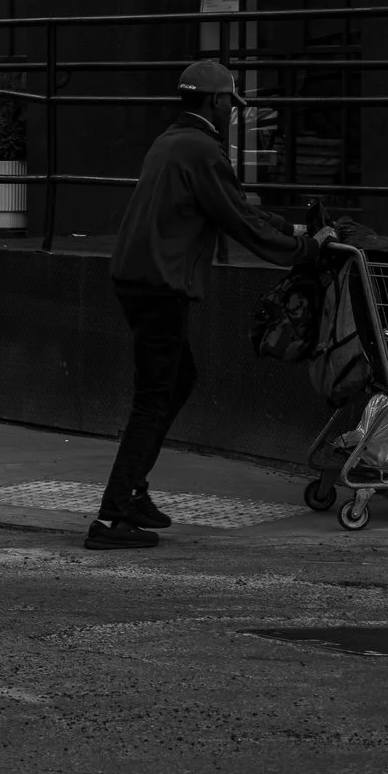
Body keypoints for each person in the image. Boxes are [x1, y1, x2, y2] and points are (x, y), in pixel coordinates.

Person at [90, 58, 329, 551]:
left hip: (138, 279)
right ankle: (113, 517)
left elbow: (234, 208)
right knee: (155, 397)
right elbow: (239, 221)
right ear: (217, 102)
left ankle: (132, 494)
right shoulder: (203, 150)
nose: (233, 112)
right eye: (231, 103)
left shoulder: (170, 142)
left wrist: (293, 229)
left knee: (178, 380)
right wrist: (306, 249)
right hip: (160, 284)